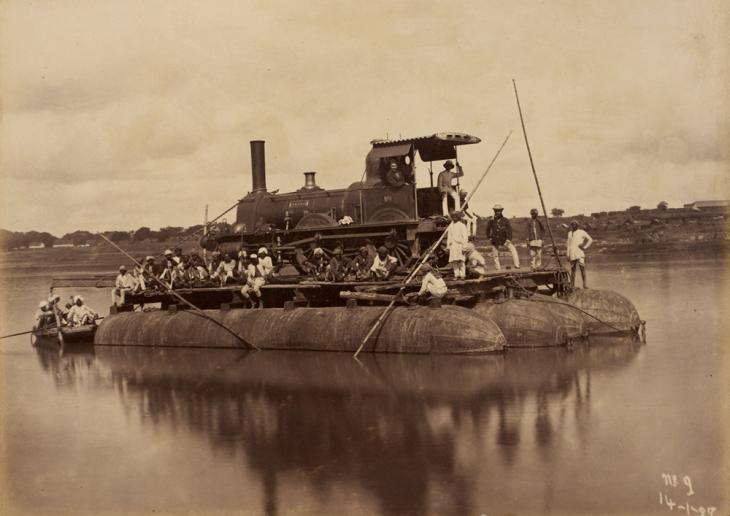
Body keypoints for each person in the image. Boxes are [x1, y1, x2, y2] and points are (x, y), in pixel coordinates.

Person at [485, 204, 520, 270]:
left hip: (504, 239)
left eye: (499, 211)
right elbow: (487, 229)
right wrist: (489, 237)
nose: (497, 212)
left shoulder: (505, 220)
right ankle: (497, 268)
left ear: (501, 211)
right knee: (495, 254)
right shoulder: (491, 220)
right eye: (496, 211)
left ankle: (517, 265)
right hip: (495, 239)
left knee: (513, 250)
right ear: (494, 211)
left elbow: (509, 230)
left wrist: (508, 239)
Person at [566, 220, 593, 289]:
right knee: (573, 270)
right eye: (572, 224)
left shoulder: (582, 232)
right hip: (572, 253)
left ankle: (584, 285)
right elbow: (568, 245)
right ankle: (572, 285)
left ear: (577, 225)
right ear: (571, 225)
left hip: (580, 252)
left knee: (582, 268)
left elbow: (590, 239)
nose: (573, 226)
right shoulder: (569, 233)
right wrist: (568, 254)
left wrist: (585, 247)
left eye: (575, 224)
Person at [446, 211, 469, 279]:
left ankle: (463, 275)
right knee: (454, 261)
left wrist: (464, 247)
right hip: (453, 245)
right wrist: (448, 247)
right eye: (453, 217)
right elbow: (449, 236)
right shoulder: (451, 226)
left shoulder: (462, 225)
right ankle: (456, 275)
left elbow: (465, 237)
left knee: (461, 261)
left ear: (458, 217)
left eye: (456, 217)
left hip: (460, 245)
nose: (454, 218)